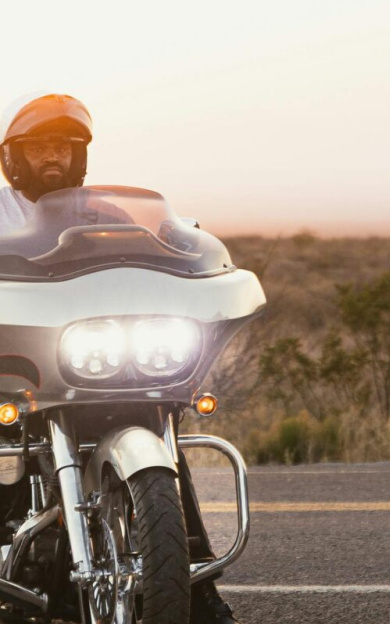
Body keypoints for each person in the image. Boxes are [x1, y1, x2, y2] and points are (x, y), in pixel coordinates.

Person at [0, 93, 241, 624]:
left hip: (95, 366)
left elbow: (160, 250)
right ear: (12, 156)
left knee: (165, 447)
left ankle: (197, 588)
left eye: (63, 147)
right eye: (39, 146)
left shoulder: (106, 212)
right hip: (20, 371)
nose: (52, 158)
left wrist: (192, 253)